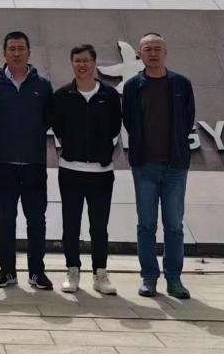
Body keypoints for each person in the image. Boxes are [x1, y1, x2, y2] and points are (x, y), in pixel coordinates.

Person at [122, 32, 196, 299]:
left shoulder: (181, 84)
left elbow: (188, 119)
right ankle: (149, 278)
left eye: (157, 49)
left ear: (166, 52)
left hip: (175, 165)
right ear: (139, 54)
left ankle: (174, 279)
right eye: (148, 49)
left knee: (174, 225)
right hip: (145, 166)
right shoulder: (132, 86)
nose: (153, 54)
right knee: (146, 225)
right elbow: (130, 121)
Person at [51, 43, 122, 295]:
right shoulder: (62, 95)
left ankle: (100, 274)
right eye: (77, 61)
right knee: (71, 224)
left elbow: (114, 127)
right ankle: (72, 270)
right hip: (70, 169)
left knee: (99, 227)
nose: (82, 65)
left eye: (86, 60)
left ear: (94, 63)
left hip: (101, 173)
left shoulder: (109, 95)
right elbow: (58, 127)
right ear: (72, 64)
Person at [0, 31, 54, 290]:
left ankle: (37, 272)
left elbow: (48, 119)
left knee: (36, 220)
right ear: (4, 53)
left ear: (29, 52)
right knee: (5, 219)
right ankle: (7, 271)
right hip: (4, 163)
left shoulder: (42, 85)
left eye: (21, 48)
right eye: (11, 49)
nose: (16, 53)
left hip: (34, 163)